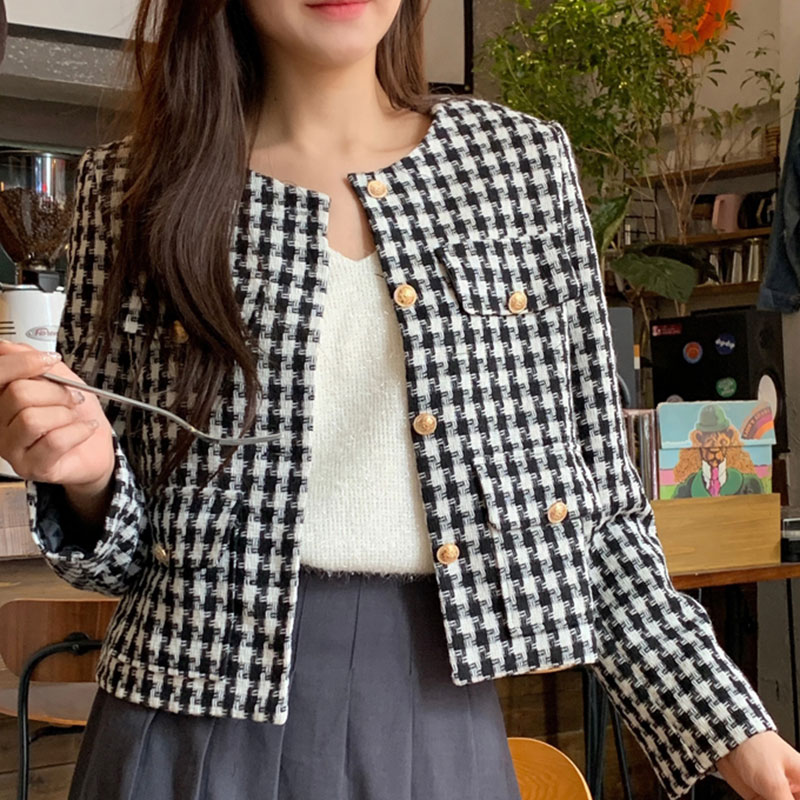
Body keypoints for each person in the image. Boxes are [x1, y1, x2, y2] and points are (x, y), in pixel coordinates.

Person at [0, 0, 799, 798]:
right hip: (181, 725)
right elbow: (120, 558)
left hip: (436, 710)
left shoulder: (518, 166)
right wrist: (88, 476)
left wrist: (730, 728)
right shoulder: (130, 187)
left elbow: (599, 509)